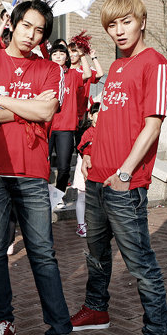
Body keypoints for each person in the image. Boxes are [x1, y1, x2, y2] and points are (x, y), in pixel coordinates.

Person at [0, 0, 82, 335]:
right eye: (26, 26)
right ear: (13, 24)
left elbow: (47, 111)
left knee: (43, 253)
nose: (32, 35)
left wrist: (1, 99)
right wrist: (25, 106)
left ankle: (60, 334)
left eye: (40, 30)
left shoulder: (51, 69)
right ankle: (3, 320)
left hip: (33, 173)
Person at [71, 0, 167, 335]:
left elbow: (152, 125)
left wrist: (126, 173)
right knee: (96, 255)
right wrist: (88, 150)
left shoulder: (155, 64)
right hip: (97, 178)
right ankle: (97, 308)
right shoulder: (115, 67)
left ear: (142, 22)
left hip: (124, 185)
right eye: (112, 25)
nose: (119, 30)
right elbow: (105, 120)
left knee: (141, 265)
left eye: (126, 22)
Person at [48, 43, 91, 197]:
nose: (58, 56)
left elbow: (87, 74)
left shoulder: (72, 74)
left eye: (61, 53)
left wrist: (82, 55)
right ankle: (42, 194)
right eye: (55, 54)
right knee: (42, 163)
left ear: (67, 57)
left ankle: (58, 195)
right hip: (47, 126)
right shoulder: (46, 74)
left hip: (66, 127)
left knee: (64, 167)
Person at [72, 102, 99, 238]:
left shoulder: (108, 131)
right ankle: (81, 225)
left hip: (99, 168)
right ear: (90, 115)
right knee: (82, 196)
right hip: (84, 166)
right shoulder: (86, 132)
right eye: (97, 113)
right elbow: (81, 148)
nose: (100, 117)